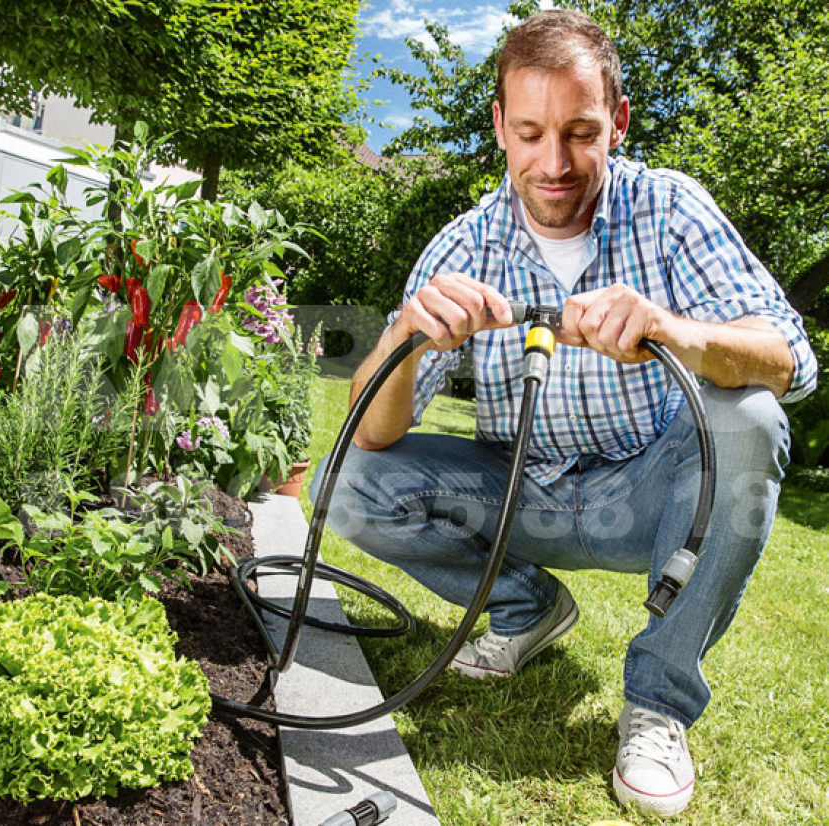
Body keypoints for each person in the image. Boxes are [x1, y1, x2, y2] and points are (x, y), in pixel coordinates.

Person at [310, 9, 817, 819]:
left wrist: (670, 330)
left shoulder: (670, 209)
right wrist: (405, 334)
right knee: (345, 481)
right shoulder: (464, 243)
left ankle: (657, 701)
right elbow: (374, 434)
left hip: (645, 501)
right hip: (521, 498)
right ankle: (525, 607)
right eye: (532, 133)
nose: (554, 163)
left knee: (750, 419)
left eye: (580, 132)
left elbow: (791, 357)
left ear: (616, 122)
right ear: (502, 132)